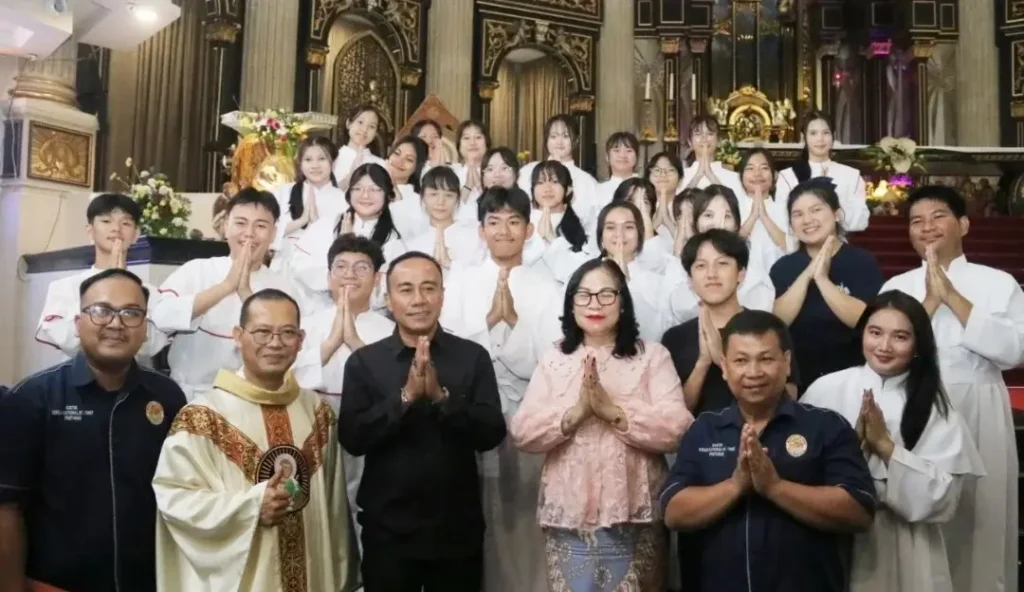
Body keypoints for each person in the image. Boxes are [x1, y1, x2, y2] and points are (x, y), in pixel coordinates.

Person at [153, 289, 357, 592]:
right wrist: (249, 508)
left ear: (301, 341)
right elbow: (175, 498)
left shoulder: (318, 413)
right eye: (262, 332)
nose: (275, 343)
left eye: (287, 333)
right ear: (238, 335)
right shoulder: (201, 418)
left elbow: (334, 511)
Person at [661, 309, 876, 591]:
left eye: (766, 359)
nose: (753, 372)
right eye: (741, 360)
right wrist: (736, 485)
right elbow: (674, 512)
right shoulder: (704, 429)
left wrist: (775, 487)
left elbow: (859, 511)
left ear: (786, 363)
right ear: (724, 367)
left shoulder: (826, 427)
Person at [510, 258, 692, 590]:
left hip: (634, 517)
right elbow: (522, 432)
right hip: (568, 518)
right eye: (584, 295)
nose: (595, 304)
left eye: (607, 294)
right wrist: (576, 414)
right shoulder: (554, 359)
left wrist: (614, 412)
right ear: (571, 304)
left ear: (623, 303)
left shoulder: (652, 356)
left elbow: (678, 428)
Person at [0, 269, 186, 592]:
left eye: (131, 313)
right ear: (78, 323)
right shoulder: (33, 397)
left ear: (145, 328)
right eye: (100, 311)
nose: (115, 323)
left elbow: (183, 496)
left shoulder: (168, 397)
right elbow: (8, 509)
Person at [880, 185, 1024, 592]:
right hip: (913, 406)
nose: (926, 227)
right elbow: (882, 351)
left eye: (937, 217)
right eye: (915, 221)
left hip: (978, 404)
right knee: (917, 515)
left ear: (963, 224)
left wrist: (951, 296)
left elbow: (1014, 350)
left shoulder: (998, 282)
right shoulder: (896, 286)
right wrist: (927, 302)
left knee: (983, 515)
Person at [338, 252, 506, 592]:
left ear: (443, 295)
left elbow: (491, 432)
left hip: (457, 530)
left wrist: (443, 399)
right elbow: (352, 438)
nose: (418, 300)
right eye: (406, 289)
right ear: (388, 299)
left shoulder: (472, 357)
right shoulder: (364, 363)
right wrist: (405, 398)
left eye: (429, 288)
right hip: (388, 532)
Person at [803, 291, 984, 592]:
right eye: (875, 333)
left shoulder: (934, 405)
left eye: (900, 337)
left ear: (918, 345)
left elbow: (943, 498)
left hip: (901, 541)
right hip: (830, 532)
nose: (884, 346)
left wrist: (885, 447)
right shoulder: (826, 388)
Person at [439, 186, 563, 592]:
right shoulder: (460, 282)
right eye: (494, 222)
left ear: (529, 230)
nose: (504, 231)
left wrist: (512, 327)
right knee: (476, 515)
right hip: (470, 413)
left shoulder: (548, 287)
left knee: (526, 517)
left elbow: (552, 359)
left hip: (529, 413)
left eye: (514, 222)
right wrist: (491, 322)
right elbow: (450, 348)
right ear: (481, 230)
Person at [292, 234, 395, 547]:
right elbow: (284, 378)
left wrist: (355, 345)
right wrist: (329, 345)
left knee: (360, 510)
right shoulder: (304, 326)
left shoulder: (392, 331)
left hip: (370, 433)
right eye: (341, 267)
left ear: (377, 279)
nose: (350, 275)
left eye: (361, 268)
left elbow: (397, 387)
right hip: (310, 427)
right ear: (328, 276)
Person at [150, 188, 302, 400]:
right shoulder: (197, 270)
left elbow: (292, 349)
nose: (249, 233)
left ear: (274, 234)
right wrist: (225, 287)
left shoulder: (284, 287)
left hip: (255, 399)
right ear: (225, 226)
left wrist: (246, 293)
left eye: (260, 226)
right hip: (193, 397)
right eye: (240, 223)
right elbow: (159, 317)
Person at [663, 230, 800, 415]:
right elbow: (675, 415)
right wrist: (702, 363)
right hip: (701, 441)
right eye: (701, 266)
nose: (711, 274)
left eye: (722, 263)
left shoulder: (769, 327)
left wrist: (724, 361)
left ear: (741, 274)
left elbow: (790, 400)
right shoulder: (675, 338)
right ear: (690, 280)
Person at [771, 178, 884, 388]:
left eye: (816, 210)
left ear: (837, 214)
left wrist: (822, 280)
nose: (807, 220)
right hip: (797, 380)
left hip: (851, 378)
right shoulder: (783, 268)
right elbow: (776, 324)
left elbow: (867, 321)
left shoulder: (861, 262)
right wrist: (807, 275)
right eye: (798, 214)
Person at [35, 193, 168, 360]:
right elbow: (64, 339)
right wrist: (106, 282)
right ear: (90, 231)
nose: (116, 229)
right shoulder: (64, 287)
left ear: (135, 234)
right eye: (106, 221)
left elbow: (151, 346)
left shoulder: (151, 293)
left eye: (125, 223)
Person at [291, 163, 407, 308]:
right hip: (322, 311)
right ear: (348, 193)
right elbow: (300, 268)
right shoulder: (326, 225)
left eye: (374, 189)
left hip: (369, 318)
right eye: (358, 188)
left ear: (388, 195)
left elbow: (388, 289)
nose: (365, 195)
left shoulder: (393, 241)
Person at [668, 186, 776, 324]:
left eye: (727, 216)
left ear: (736, 224)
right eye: (708, 215)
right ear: (696, 222)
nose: (717, 223)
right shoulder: (678, 264)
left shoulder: (750, 265)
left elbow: (761, 312)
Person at [774, 110, 870, 239]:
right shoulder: (788, 176)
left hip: (838, 246)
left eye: (825, 133)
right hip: (800, 247)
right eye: (813, 133)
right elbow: (782, 219)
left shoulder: (851, 175)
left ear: (833, 136)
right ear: (804, 138)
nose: (820, 139)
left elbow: (861, 221)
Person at [271, 136, 346, 276]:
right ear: (300, 163)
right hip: (283, 272)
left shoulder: (344, 200)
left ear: (333, 163)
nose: (315, 165)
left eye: (322, 159)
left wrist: (318, 227)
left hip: (323, 275)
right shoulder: (283, 192)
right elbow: (268, 232)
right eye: (308, 160)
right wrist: (300, 222)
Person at [518, 114, 599, 227]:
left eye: (566, 136)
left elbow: (593, 222)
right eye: (553, 136)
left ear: (576, 140)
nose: (559, 142)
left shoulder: (587, 181)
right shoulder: (528, 171)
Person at [403, 166, 484, 272]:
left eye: (449, 195)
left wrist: (451, 265)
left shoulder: (475, 237)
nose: (441, 201)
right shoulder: (412, 245)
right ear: (423, 197)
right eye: (434, 194)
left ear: (457, 199)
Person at [524, 160, 591, 282]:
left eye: (555, 182)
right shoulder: (523, 221)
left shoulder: (579, 225)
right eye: (540, 182)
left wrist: (552, 240)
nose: (547, 188)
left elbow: (578, 273)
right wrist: (538, 240)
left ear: (568, 189)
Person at [737, 148, 788, 270]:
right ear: (741, 176)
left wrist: (764, 217)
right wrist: (752, 217)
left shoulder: (786, 209)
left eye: (764, 168)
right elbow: (727, 246)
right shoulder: (733, 208)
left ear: (774, 175)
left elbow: (792, 247)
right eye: (750, 168)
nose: (757, 174)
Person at [679, 115, 745, 198]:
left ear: (718, 140)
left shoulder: (733, 177)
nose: (704, 139)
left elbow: (734, 207)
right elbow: (677, 207)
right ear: (689, 142)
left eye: (710, 134)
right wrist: (698, 175)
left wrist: (710, 174)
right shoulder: (681, 176)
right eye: (698, 134)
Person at [386, 135, 431, 238]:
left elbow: (412, 237)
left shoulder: (419, 202)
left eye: (409, 159)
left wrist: (398, 200)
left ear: (417, 168)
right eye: (397, 153)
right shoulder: (369, 189)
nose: (399, 161)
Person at [333, 104, 387, 190]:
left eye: (371, 126)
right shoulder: (332, 157)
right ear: (348, 123)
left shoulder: (381, 164)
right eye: (360, 122)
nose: (364, 130)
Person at [450, 120, 491, 224]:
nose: (472, 143)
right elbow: (447, 211)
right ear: (459, 145)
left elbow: (499, 208)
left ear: (487, 143)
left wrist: (478, 185)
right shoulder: (451, 174)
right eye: (466, 138)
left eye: (478, 137)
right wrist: (467, 186)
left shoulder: (496, 173)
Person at [595, 131, 640, 212]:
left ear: (636, 157)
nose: (622, 155)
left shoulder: (645, 188)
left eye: (629, 150)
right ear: (607, 157)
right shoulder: (597, 191)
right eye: (616, 150)